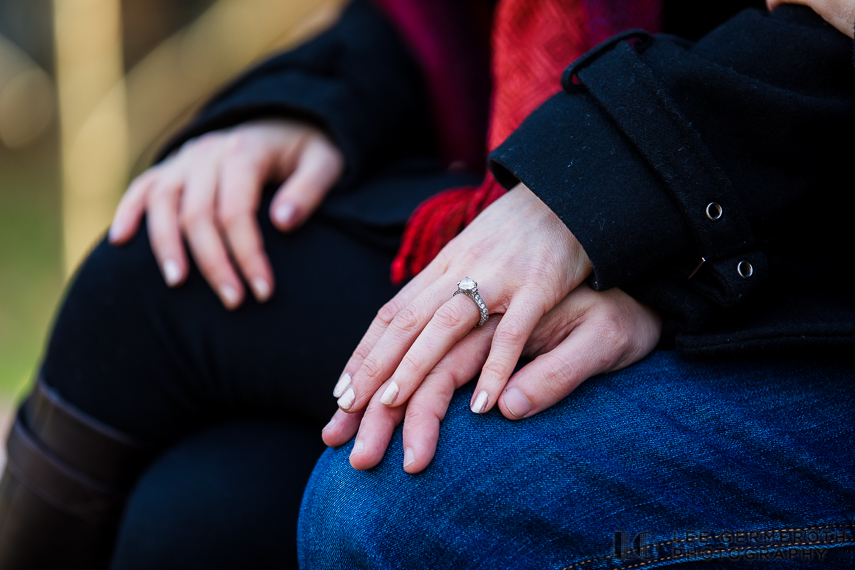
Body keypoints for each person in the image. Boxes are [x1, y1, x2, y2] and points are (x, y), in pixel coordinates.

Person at [1, 0, 854, 568]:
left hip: (781, 253)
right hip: (685, 192)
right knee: (201, 510)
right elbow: (442, 17)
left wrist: (624, 211)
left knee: (156, 300)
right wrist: (310, 96)